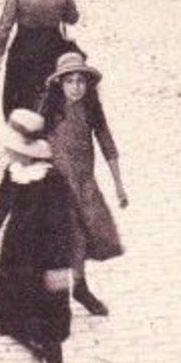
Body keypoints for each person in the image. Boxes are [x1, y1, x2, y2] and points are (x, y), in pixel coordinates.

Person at [0, 109, 78, 363]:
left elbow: (64, 227)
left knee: (48, 326)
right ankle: (34, 345)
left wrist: (60, 268)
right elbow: (0, 204)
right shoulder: (14, 171)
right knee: (9, 317)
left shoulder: (52, 181)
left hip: (45, 261)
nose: (8, 151)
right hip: (16, 256)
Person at [40, 54, 127, 318]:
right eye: (70, 81)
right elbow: (32, 146)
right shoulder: (49, 111)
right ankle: (52, 297)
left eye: (81, 81)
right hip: (56, 186)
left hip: (85, 184)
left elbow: (107, 145)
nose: (76, 87)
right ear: (59, 84)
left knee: (80, 238)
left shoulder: (91, 110)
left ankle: (79, 287)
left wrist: (119, 185)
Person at [0, 0, 82, 117]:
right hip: (53, 44)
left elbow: (4, 28)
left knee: (19, 91)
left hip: (25, 46)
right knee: (52, 86)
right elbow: (73, 18)